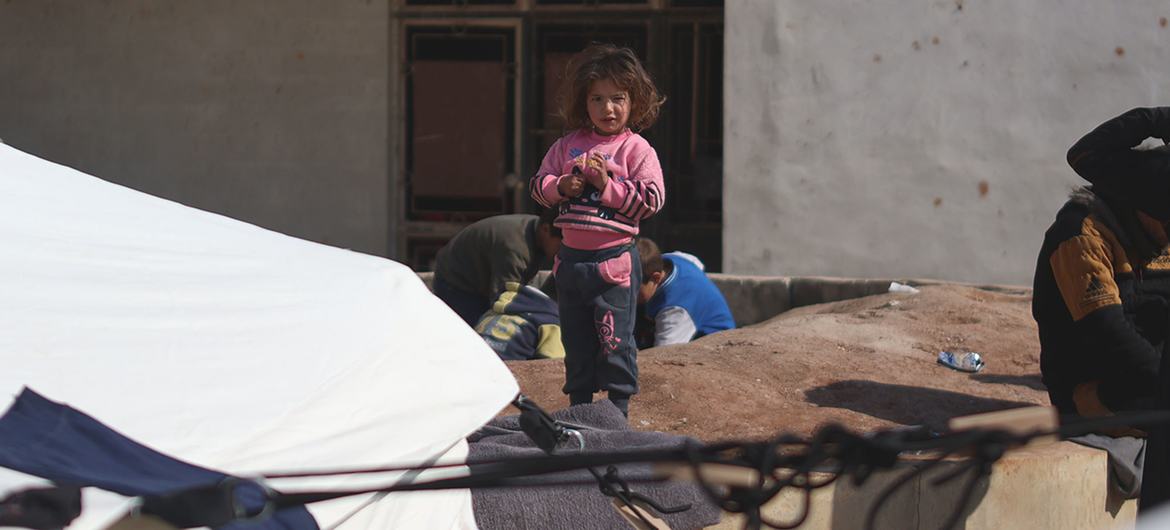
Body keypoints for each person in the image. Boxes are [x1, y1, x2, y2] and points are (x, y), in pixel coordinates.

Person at [1033, 107, 1170, 502]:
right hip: (1097, 393)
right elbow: (1113, 339)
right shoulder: (1081, 236)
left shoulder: (1156, 230)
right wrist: (1154, 119)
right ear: (1143, 208)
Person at [529, 43, 666, 417]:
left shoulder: (637, 150)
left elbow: (652, 199)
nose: (608, 108)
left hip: (614, 264)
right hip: (571, 264)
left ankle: (618, 413)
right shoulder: (567, 146)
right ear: (583, 103)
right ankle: (581, 410)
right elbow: (538, 186)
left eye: (618, 98)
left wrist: (607, 186)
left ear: (634, 101)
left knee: (615, 340)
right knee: (577, 340)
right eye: (598, 99)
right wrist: (562, 187)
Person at [432, 209, 562, 326]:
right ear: (545, 229)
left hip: (479, 281)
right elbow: (506, 301)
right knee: (482, 340)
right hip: (457, 284)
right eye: (560, 246)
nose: (562, 252)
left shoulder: (536, 230)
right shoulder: (516, 249)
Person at [635, 238, 735, 347]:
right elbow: (697, 263)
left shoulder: (676, 309)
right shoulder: (673, 258)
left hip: (716, 346)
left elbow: (663, 353)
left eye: (633, 290)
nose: (627, 294)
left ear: (656, 278)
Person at [474, 281, 565, 361]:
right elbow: (554, 363)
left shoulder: (495, 309)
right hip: (502, 374)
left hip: (469, 363)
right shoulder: (550, 322)